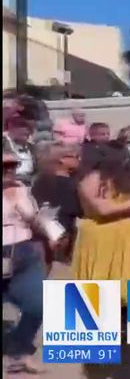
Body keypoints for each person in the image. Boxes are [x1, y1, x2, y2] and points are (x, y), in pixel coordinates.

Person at [73, 142, 130, 303]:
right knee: (98, 295)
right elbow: (102, 209)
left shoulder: (124, 178)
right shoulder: (93, 178)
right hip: (103, 237)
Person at [2, 144, 47, 374]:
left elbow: (32, 217)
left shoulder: (20, 187)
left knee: (38, 304)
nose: (9, 171)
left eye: (12, 166)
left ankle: (18, 347)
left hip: (23, 250)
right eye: (4, 167)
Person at [30, 141, 83, 267]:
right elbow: (75, 210)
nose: (79, 160)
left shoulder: (40, 180)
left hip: (43, 233)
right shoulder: (67, 184)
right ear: (61, 160)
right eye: (75, 156)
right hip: (61, 236)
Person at [3, 117, 37, 185]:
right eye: (25, 127)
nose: (29, 131)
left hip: (29, 183)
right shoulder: (4, 144)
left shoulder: (33, 148)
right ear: (11, 127)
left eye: (31, 128)